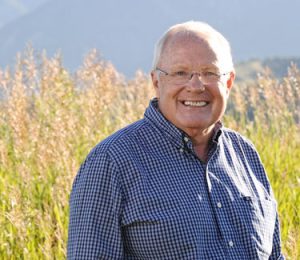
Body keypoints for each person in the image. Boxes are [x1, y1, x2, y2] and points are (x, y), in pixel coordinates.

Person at [67, 21, 284, 259]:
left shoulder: (245, 154)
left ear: (229, 82)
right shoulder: (111, 162)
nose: (196, 85)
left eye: (209, 73)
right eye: (180, 73)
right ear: (157, 82)